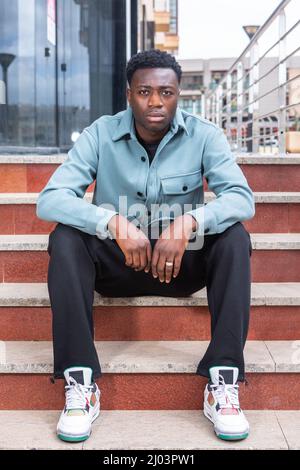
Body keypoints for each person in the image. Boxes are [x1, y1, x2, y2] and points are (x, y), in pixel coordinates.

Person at [36, 49, 255, 443]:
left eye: (166, 92)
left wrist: (190, 222)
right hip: (118, 265)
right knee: (64, 238)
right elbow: (50, 199)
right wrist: (112, 222)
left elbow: (241, 198)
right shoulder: (101, 133)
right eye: (145, 91)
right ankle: (80, 381)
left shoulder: (205, 135)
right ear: (128, 94)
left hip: (179, 268)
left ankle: (223, 380)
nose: (156, 102)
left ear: (179, 93)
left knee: (235, 238)